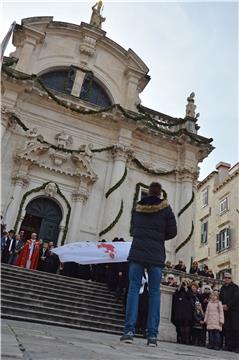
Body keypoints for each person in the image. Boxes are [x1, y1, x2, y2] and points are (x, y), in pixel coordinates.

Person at [120, 182, 177, 347]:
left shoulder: (137, 207)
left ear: (148, 193)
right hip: (156, 254)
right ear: (160, 194)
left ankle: (129, 331)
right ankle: (152, 335)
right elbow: (173, 231)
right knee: (154, 293)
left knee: (133, 289)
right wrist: (159, 236)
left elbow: (132, 230)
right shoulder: (166, 208)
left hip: (137, 251)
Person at [219, 273, 239, 353]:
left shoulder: (235, 287)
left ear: (231, 278)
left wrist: (228, 305)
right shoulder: (222, 288)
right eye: (225, 277)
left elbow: (236, 298)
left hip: (234, 311)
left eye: (228, 278)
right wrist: (222, 305)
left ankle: (237, 347)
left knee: (235, 328)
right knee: (227, 329)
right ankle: (229, 346)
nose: (227, 279)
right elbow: (220, 297)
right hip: (225, 311)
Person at [171, 280, 193, 344]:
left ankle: (186, 339)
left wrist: (186, 287)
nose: (184, 284)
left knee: (186, 325)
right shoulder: (179, 290)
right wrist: (180, 286)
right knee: (180, 325)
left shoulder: (189, 290)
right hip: (180, 311)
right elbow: (175, 294)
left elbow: (190, 296)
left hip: (187, 311)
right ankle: (181, 338)